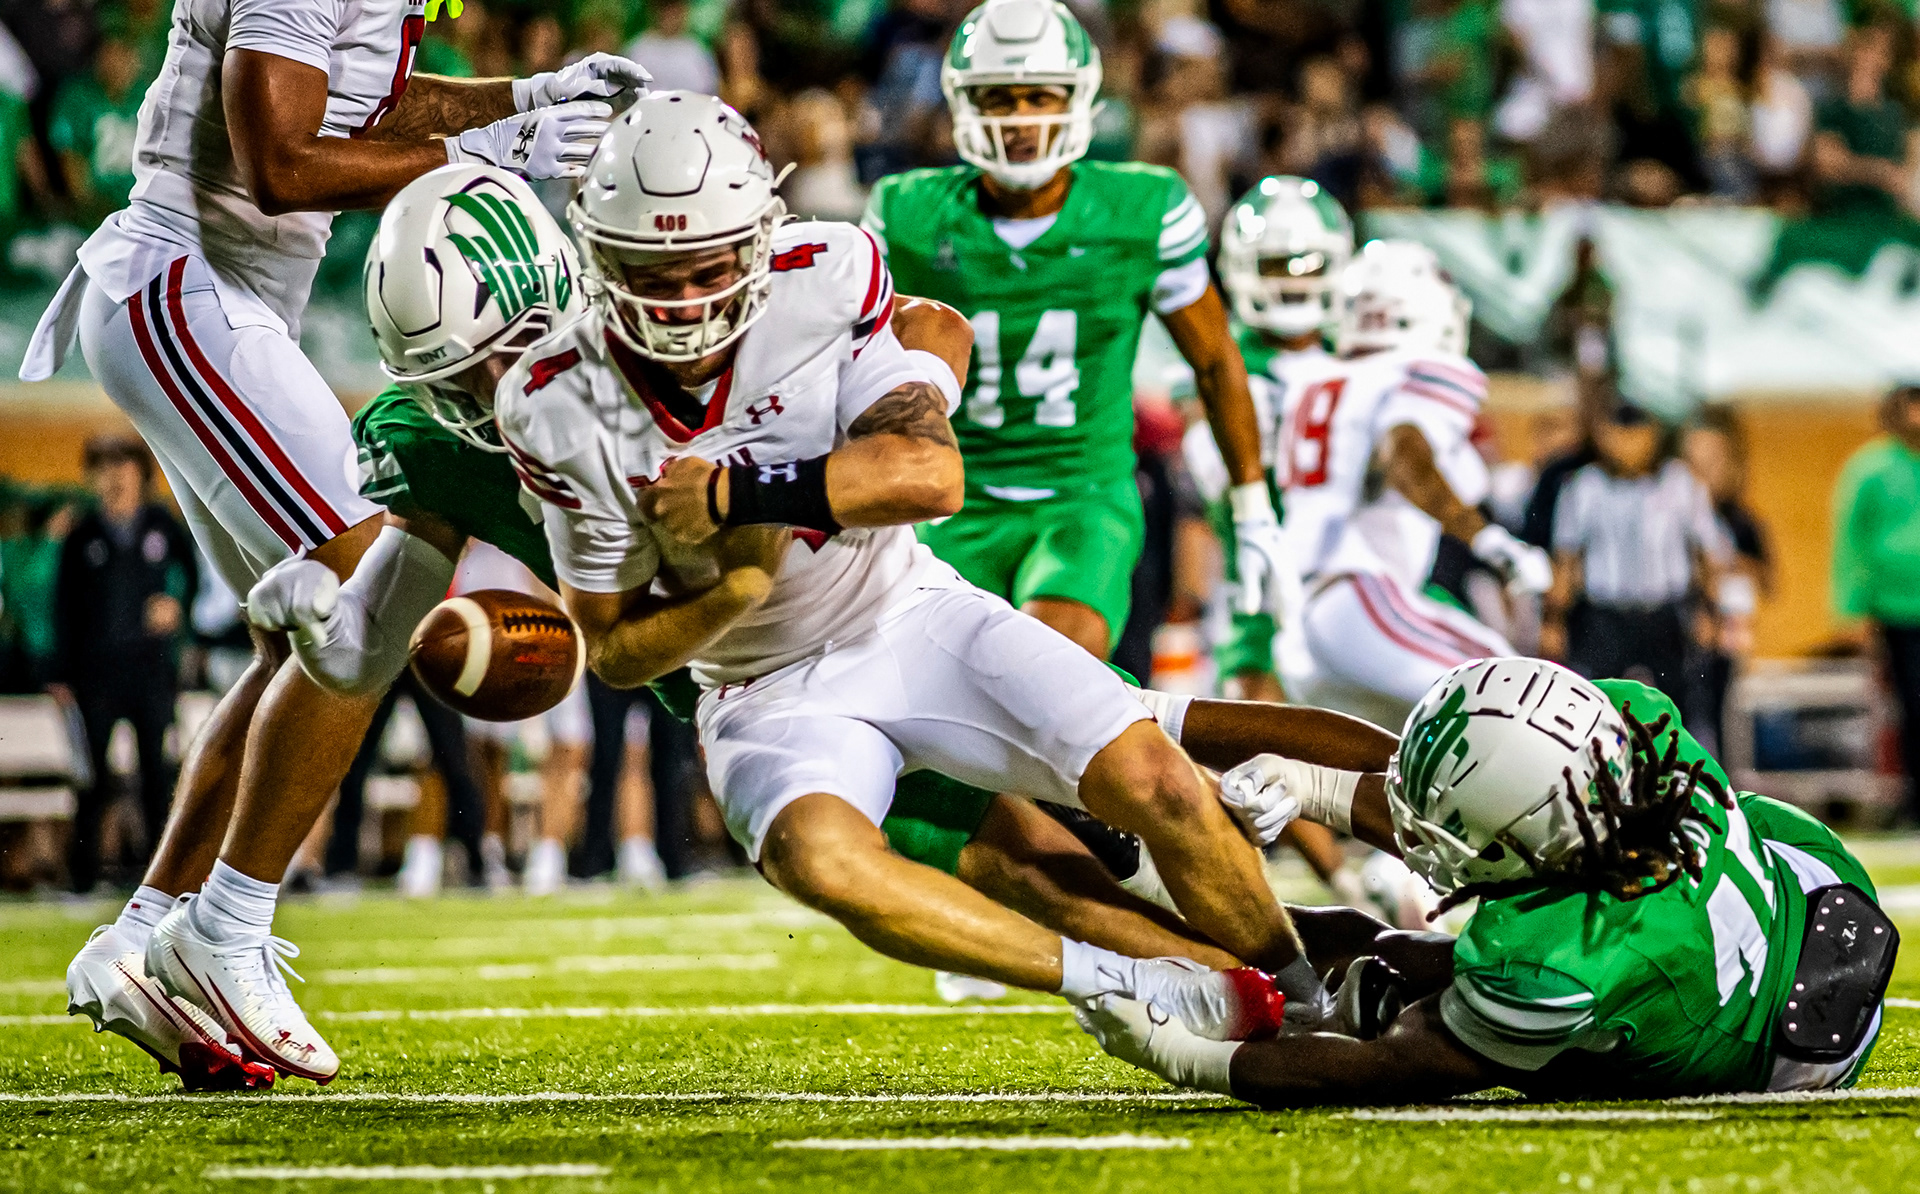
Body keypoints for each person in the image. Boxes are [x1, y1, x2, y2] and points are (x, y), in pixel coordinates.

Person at [497, 90, 1326, 1035]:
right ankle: (1115, 982)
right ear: (599, 258)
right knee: (825, 862)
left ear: (761, 245)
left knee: (1162, 782)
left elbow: (929, 476)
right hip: (761, 687)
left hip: (910, 611)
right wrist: (736, 589)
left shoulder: (825, 274)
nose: (682, 301)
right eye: (652, 271)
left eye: (708, 268)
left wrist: (736, 497)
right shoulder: (554, 399)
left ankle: (1308, 995)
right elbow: (610, 652)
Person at [46, 7, 650, 1088]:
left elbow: (356, 97)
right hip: (187, 282)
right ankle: (226, 932)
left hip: (220, 296)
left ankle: (140, 940)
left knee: (306, 646)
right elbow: (277, 159)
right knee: (365, 582)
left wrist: (525, 100)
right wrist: (481, 148)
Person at [1078, 657, 1894, 1104]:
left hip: (1781, 1046)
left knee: (1399, 998)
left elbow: (1397, 1069)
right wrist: (1308, 783)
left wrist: (1185, 1058)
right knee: (1396, 960)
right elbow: (1453, 792)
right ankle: (1138, 861)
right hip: (1809, 881)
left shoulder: (1566, 956)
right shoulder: (1632, 723)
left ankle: (1137, 877)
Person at [860, 0, 1280, 662]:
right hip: (948, 505)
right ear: (964, 104)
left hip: (1081, 502)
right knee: (938, 733)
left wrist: (1252, 504)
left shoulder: (1142, 209)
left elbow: (1215, 360)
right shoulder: (908, 213)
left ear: (1079, 99)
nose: (1021, 119)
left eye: (1039, 97)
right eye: (999, 99)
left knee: (1040, 670)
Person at [1272, 240, 1549, 729]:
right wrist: (1487, 538)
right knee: (1523, 698)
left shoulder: (1312, 381)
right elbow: (1403, 452)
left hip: (1299, 626)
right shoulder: (1413, 371)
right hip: (1357, 597)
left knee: (1386, 780)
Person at [53, 435, 197, 894]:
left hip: (151, 670)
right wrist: (60, 672)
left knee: (157, 772)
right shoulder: (82, 534)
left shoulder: (162, 525)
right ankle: (83, 874)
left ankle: (160, 877)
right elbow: (63, 605)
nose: (115, 477)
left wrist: (177, 606)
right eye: (105, 467)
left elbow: (194, 578)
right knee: (93, 775)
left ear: (141, 474)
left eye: (123, 466)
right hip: (96, 674)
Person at [1544, 401, 1733, 707]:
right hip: (1605, 616)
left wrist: (1710, 612)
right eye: (1619, 435)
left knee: (1673, 703)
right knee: (1597, 701)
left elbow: (1705, 553)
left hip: (1663, 614)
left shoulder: (1679, 482)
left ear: (1652, 436)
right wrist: (1553, 621)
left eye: (1636, 435)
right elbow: (1566, 558)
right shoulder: (1585, 486)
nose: (1627, 446)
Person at [1832, 383, 1920, 825]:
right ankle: (1912, 798)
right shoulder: (1872, 468)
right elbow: (1851, 541)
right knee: (1910, 704)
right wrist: (1854, 608)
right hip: (1897, 610)